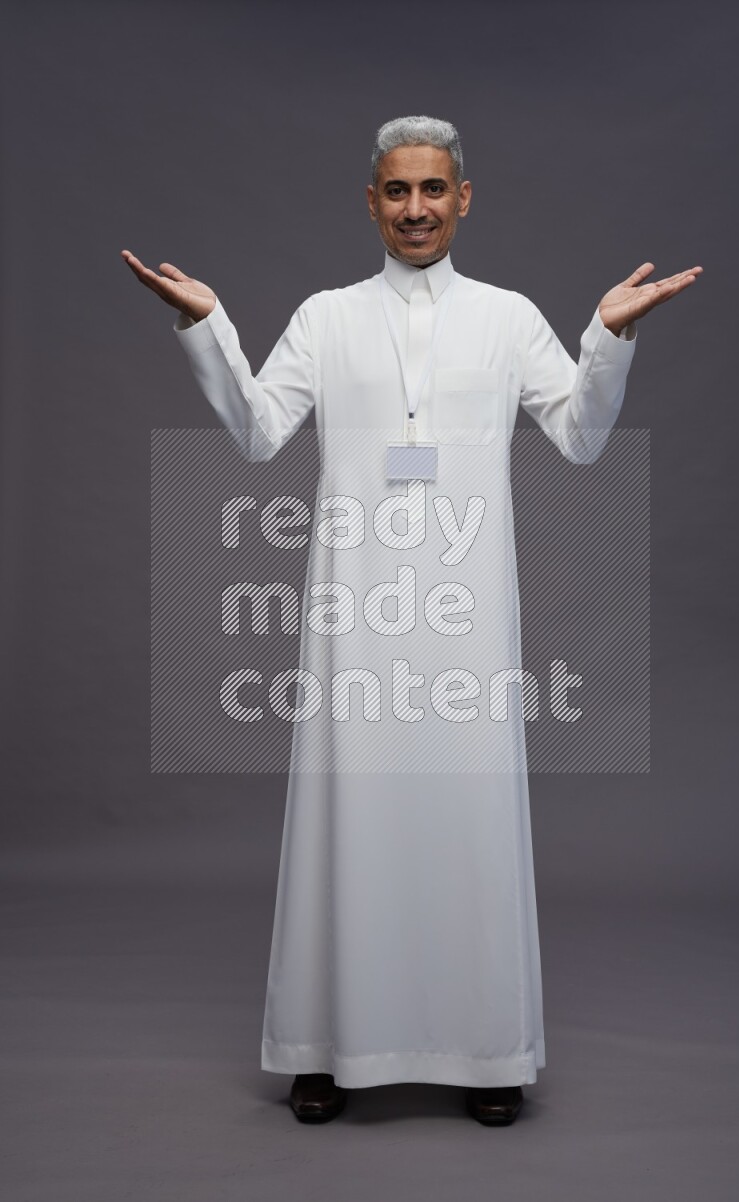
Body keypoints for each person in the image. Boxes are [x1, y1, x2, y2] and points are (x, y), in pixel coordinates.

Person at [122, 115, 701, 1126]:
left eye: (434, 189)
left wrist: (607, 338)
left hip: (466, 610)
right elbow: (258, 434)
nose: (416, 208)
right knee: (347, 812)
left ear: (463, 198)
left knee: (469, 815)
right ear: (371, 201)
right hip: (354, 608)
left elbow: (578, 436)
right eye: (397, 190)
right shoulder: (326, 318)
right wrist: (208, 327)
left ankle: (486, 1052)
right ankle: (323, 1046)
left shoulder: (507, 318)